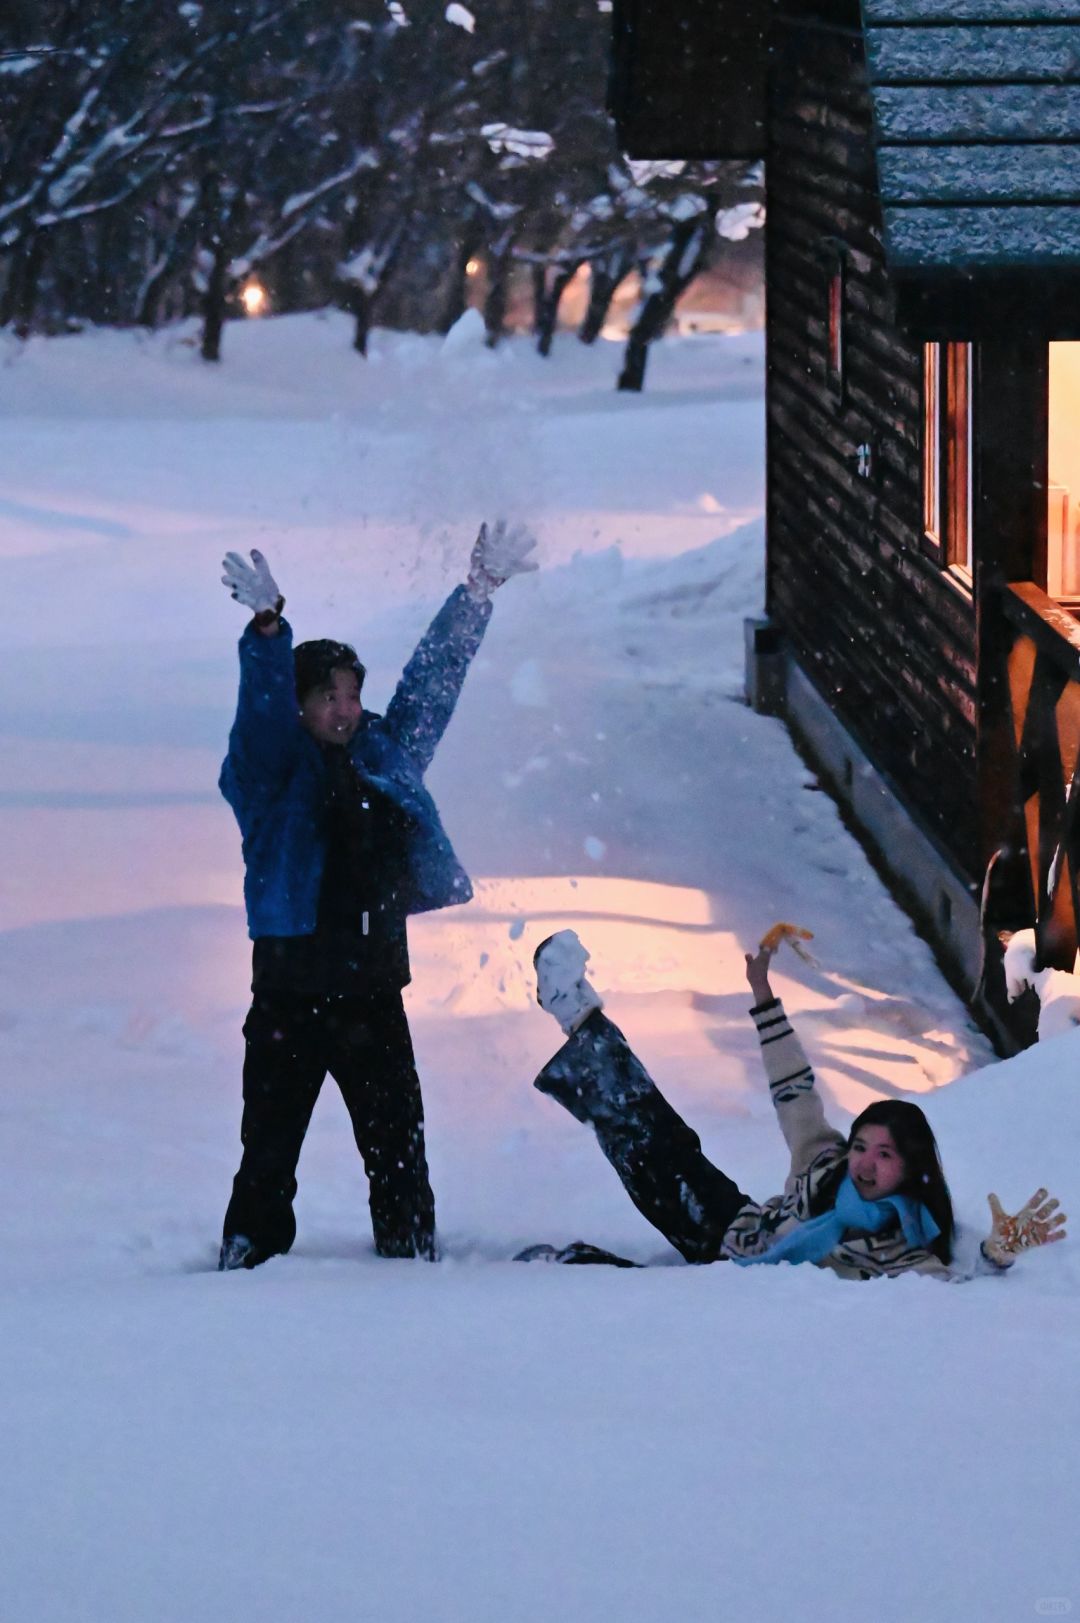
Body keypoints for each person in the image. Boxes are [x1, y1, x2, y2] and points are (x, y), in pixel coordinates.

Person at [217, 523, 537, 1271]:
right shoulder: (269, 774)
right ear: (298, 705)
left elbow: (431, 684)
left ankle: (412, 1255)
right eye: (328, 696)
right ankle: (244, 1262)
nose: (345, 708)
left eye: (353, 694)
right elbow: (259, 719)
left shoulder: (383, 753)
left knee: (398, 1146)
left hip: (371, 994)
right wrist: (268, 630)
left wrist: (476, 594)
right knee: (267, 1147)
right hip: (289, 995)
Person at [526, 929, 1067, 1279]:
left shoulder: (905, 1253)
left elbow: (959, 1302)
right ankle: (576, 1014)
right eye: (862, 1146)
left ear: (912, 1168)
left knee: (651, 1290)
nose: (864, 1162)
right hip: (733, 1230)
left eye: (884, 1155)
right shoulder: (824, 1164)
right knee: (658, 1141)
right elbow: (795, 1088)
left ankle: (567, 1272)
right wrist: (762, 992)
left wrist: (996, 1257)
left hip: (737, 1283)